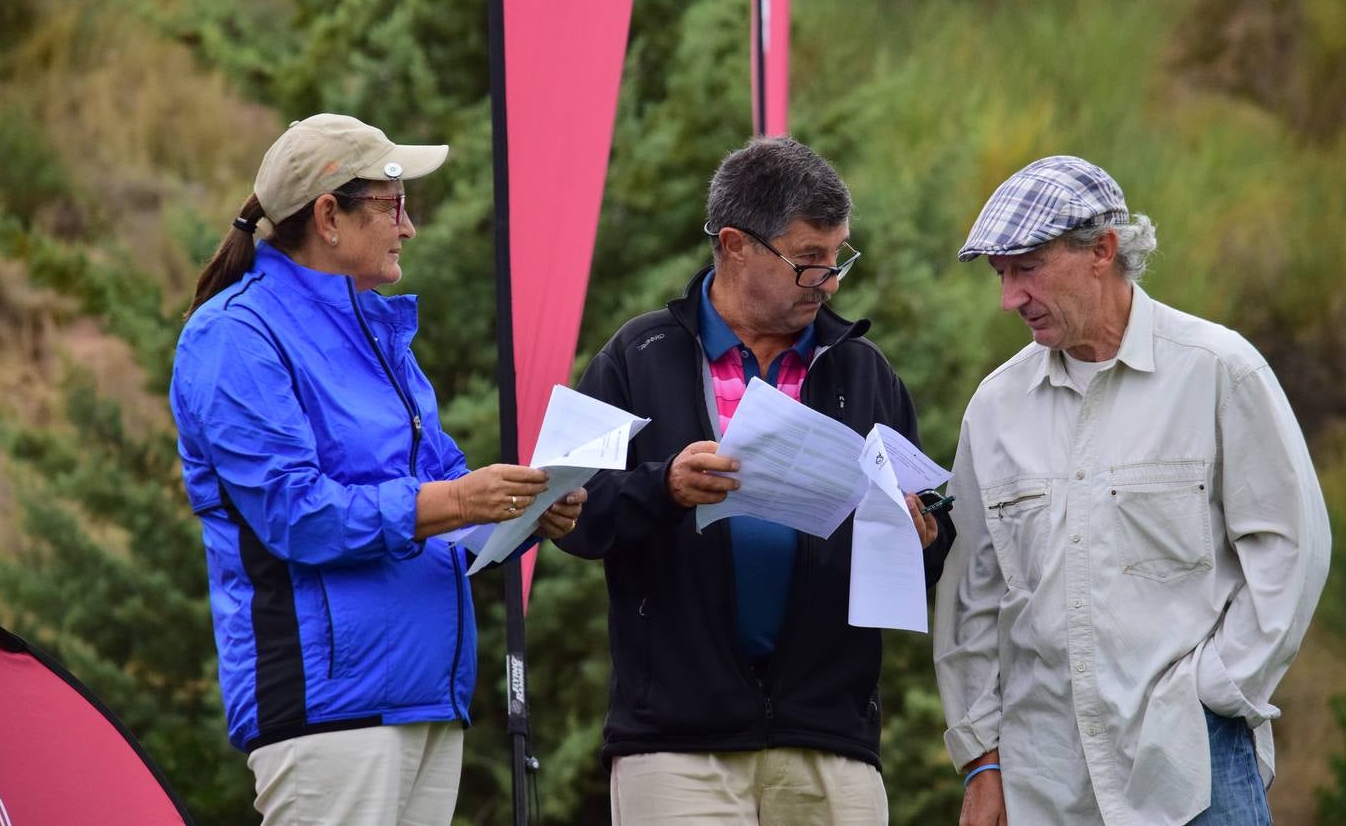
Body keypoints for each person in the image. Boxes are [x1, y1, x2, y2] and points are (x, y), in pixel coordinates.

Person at [169, 113, 585, 825]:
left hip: (424, 700)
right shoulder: (235, 336)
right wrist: (459, 501)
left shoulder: (376, 330)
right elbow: (297, 514)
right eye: (393, 204)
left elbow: (443, 496)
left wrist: (523, 510)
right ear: (328, 215)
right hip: (329, 711)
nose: (409, 225)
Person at [556, 136, 955, 824]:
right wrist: (665, 487)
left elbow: (930, 549)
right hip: (676, 745)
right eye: (808, 262)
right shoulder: (634, 354)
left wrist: (923, 535)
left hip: (830, 739)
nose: (828, 283)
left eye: (838, 260)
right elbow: (569, 516)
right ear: (736, 244)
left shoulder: (865, 371)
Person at [933, 155, 1331, 826]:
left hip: (1192, 765)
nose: (1009, 298)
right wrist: (983, 760)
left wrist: (1218, 687)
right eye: (1002, 276)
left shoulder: (1218, 371)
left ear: (1102, 251)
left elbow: (1292, 546)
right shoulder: (996, 407)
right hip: (1044, 783)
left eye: (1027, 268)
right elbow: (974, 599)